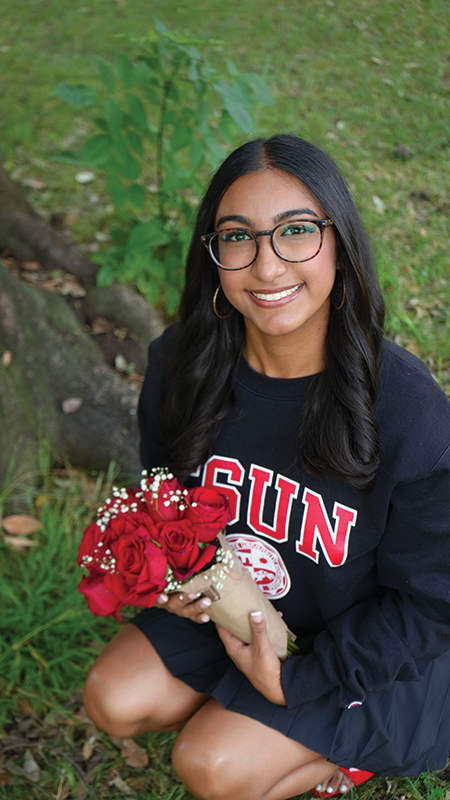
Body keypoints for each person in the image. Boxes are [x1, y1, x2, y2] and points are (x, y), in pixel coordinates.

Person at [83, 135, 450, 800]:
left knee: (210, 765)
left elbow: (432, 604)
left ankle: (341, 751)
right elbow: (167, 489)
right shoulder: (183, 365)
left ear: (339, 243)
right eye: (237, 238)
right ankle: (248, 717)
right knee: (114, 698)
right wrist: (171, 574)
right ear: (213, 257)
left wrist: (301, 680)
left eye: (297, 232)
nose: (267, 266)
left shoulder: (409, 413)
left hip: (363, 647)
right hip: (242, 611)